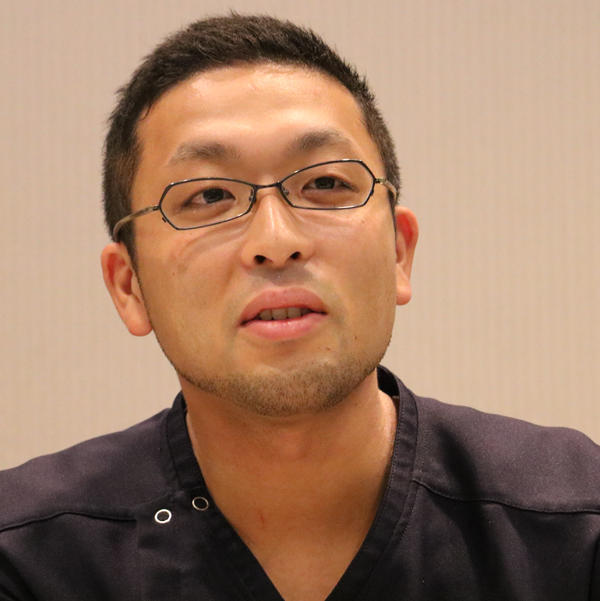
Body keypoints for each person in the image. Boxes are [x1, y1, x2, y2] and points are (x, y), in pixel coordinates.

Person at [1, 13, 599, 601]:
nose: (275, 240)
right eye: (208, 195)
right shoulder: (28, 559)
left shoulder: (576, 526)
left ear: (398, 251)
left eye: (325, 184)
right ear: (129, 286)